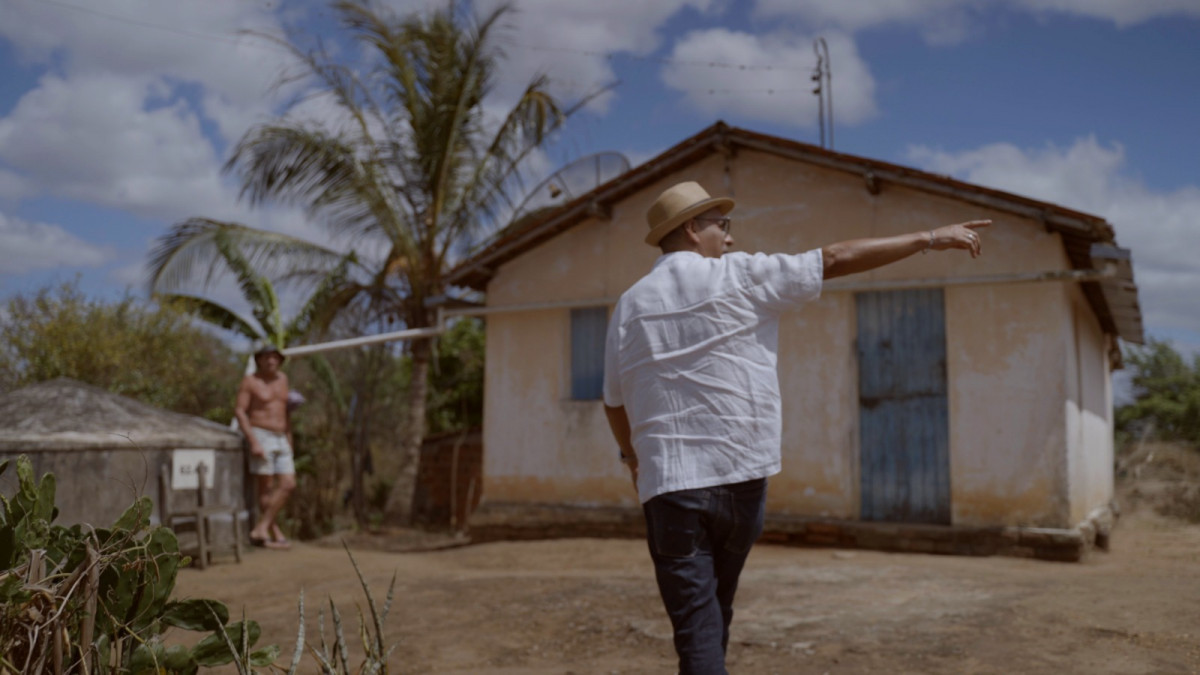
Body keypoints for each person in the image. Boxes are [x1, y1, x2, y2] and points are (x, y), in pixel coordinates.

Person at [602, 181, 990, 674]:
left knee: (697, 627)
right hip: (741, 481)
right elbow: (834, 258)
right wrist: (929, 237)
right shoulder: (740, 276)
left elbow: (614, 401)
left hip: (670, 487)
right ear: (691, 230)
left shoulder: (628, 307)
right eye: (722, 225)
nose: (731, 238)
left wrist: (631, 458)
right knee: (715, 614)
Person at [234, 344, 296, 550]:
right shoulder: (251, 381)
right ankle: (273, 532)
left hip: (281, 436)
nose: (271, 361)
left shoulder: (283, 379)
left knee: (288, 484)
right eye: (267, 357)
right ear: (259, 360)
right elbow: (240, 411)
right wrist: (253, 441)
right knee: (266, 487)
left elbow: (286, 413)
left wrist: (289, 440)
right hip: (261, 434)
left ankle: (262, 527)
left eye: (275, 358)